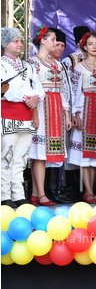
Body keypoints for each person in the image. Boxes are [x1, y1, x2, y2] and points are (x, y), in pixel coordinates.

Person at [28, 26, 72, 206]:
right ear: (43, 40)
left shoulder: (57, 64)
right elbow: (31, 91)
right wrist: (34, 115)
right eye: (53, 39)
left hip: (55, 109)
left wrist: (66, 114)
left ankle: (35, 193)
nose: (55, 43)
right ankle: (41, 194)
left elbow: (62, 90)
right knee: (39, 153)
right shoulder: (33, 63)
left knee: (47, 152)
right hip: (41, 108)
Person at [1, 28, 43, 207]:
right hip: (8, 114)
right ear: (5, 44)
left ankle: (18, 194)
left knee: (21, 158)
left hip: (26, 115)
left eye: (21, 41)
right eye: (15, 41)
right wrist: (26, 97)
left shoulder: (28, 66)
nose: (20, 44)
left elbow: (39, 87)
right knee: (6, 156)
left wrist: (36, 97)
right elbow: (4, 90)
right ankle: (4, 195)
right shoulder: (1, 65)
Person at [66, 31, 96, 203]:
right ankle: (88, 192)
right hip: (85, 108)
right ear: (85, 46)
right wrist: (76, 113)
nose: (94, 47)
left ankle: (91, 192)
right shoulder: (79, 67)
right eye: (90, 44)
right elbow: (74, 91)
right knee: (85, 154)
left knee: (94, 154)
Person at [61, 25, 91, 201]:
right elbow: (68, 89)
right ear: (79, 42)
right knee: (71, 150)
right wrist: (72, 113)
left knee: (87, 151)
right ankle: (71, 189)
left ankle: (87, 189)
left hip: (91, 111)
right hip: (74, 112)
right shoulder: (70, 61)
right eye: (85, 40)